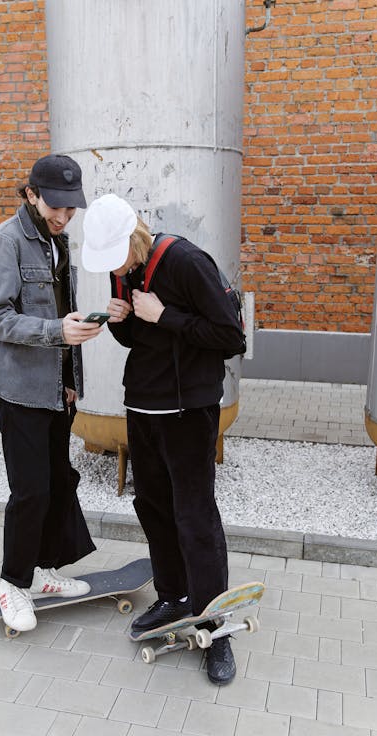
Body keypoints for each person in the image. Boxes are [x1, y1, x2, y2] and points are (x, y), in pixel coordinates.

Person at [81, 193, 246, 685]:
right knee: (152, 507)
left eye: (120, 258)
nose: (118, 270)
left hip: (189, 411)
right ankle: (173, 597)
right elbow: (137, 342)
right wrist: (122, 322)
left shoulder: (187, 261)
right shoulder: (121, 268)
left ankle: (216, 625)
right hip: (143, 407)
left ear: (135, 237)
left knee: (194, 515)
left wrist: (162, 315)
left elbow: (231, 337)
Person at [0, 154, 103, 633]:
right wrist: (56, 332)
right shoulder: (2, 244)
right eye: (56, 207)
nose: (64, 217)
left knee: (55, 482)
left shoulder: (58, 241)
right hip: (18, 390)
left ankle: (42, 572)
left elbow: (63, 309)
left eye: (71, 209)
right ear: (30, 193)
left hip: (54, 389)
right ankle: (12, 584)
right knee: (29, 491)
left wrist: (70, 379)